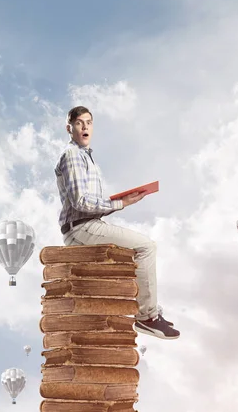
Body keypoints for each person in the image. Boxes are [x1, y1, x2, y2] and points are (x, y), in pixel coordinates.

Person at [54, 105, 180, 340]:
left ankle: (148, 311)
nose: (85, 127)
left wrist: (124, 200)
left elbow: (90, 204)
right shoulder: (72, 155)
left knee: (139, 250)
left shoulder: (87, 158)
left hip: (89, 224)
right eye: (79, 123)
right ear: (68, 128)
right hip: (81, 228)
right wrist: (120, 204)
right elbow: (80, 202)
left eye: (89, 122)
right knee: (146, 246)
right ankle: (147, 317)